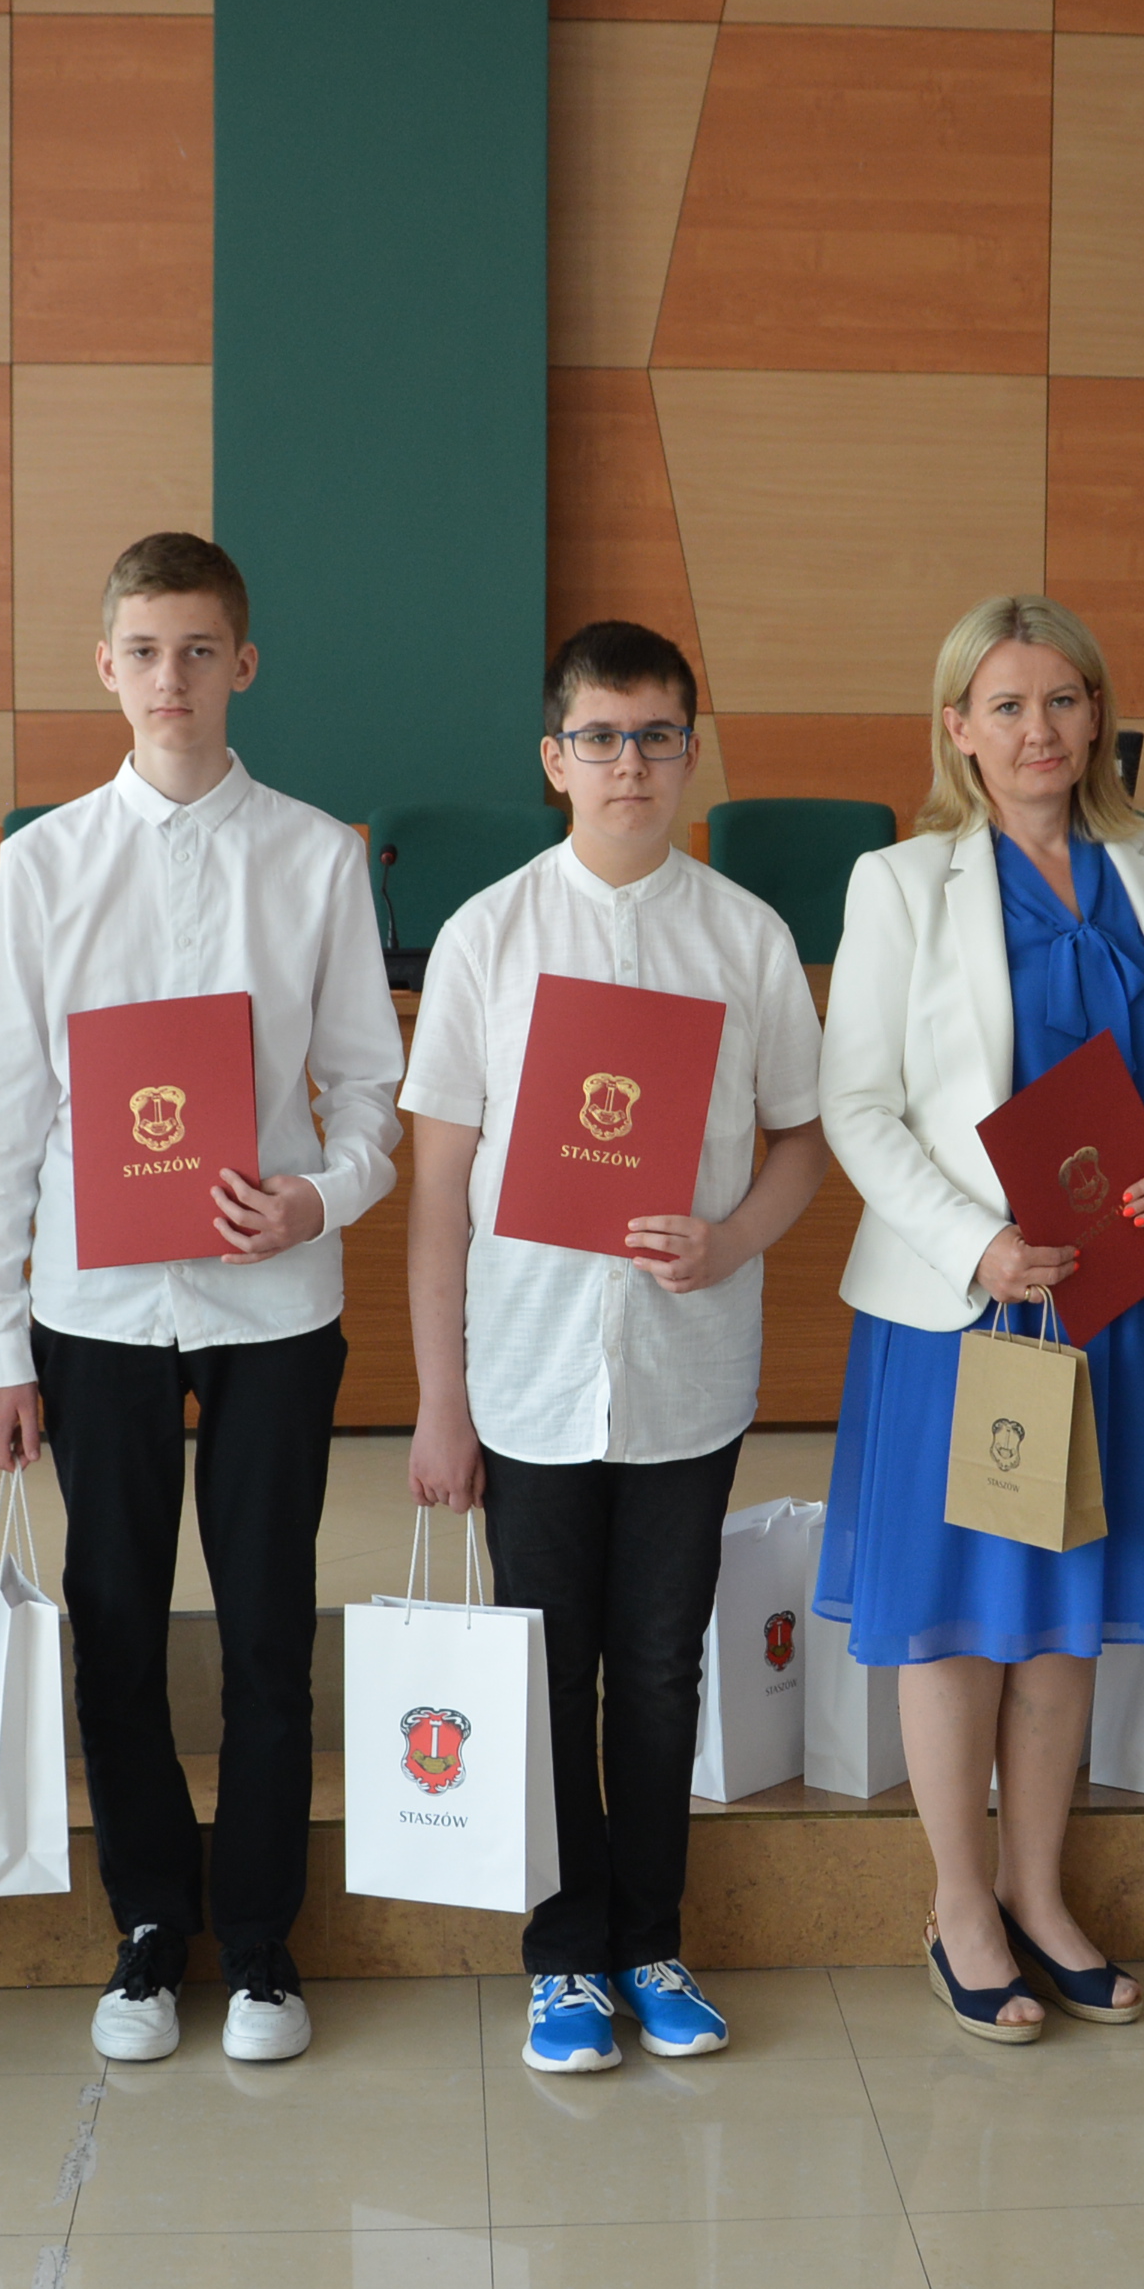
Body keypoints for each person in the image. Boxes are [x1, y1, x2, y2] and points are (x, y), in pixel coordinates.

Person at [0, 532, 403, 2065]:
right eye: (144, 651)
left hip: (274, 1301)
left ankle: (264, 1941)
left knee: (273, 1630)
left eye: (200, 650)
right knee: (118, 1623)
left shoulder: (319, 855)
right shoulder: (45, 861)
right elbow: (2, 1116)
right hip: (98, 1308)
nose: (172, 680)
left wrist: (319, 1194)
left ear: (245, 664)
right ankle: (150, 1927)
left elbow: (373, 1096)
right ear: (106, 667)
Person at [403, 621, 828, 2073]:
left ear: (691, 751)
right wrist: (440, 1403)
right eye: (599, 737)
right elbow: (439, 1197)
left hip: (685, 1367)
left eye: (655, 735)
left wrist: (733, 1238)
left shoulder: (744, 936)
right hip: (524, 1376)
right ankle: (561, 1957)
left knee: (659, 1669)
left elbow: (800, 1143)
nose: (628, 763)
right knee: (547, 1667)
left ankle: (650, 1938)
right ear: (552, 759)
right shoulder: (488, 935)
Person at [817, 593, 1144, 2043]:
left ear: (1098, 717)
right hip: (966, 1307)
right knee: (957, 1621)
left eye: (1062, 701)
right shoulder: (901, 882)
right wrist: (973, 1243)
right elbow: (856, 1107)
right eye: (1005, 706)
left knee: (1063, 1623)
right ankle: (960, 1906)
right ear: (958, 730)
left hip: (1119, 1305)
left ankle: (1045, 1896)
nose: (1038, 730)